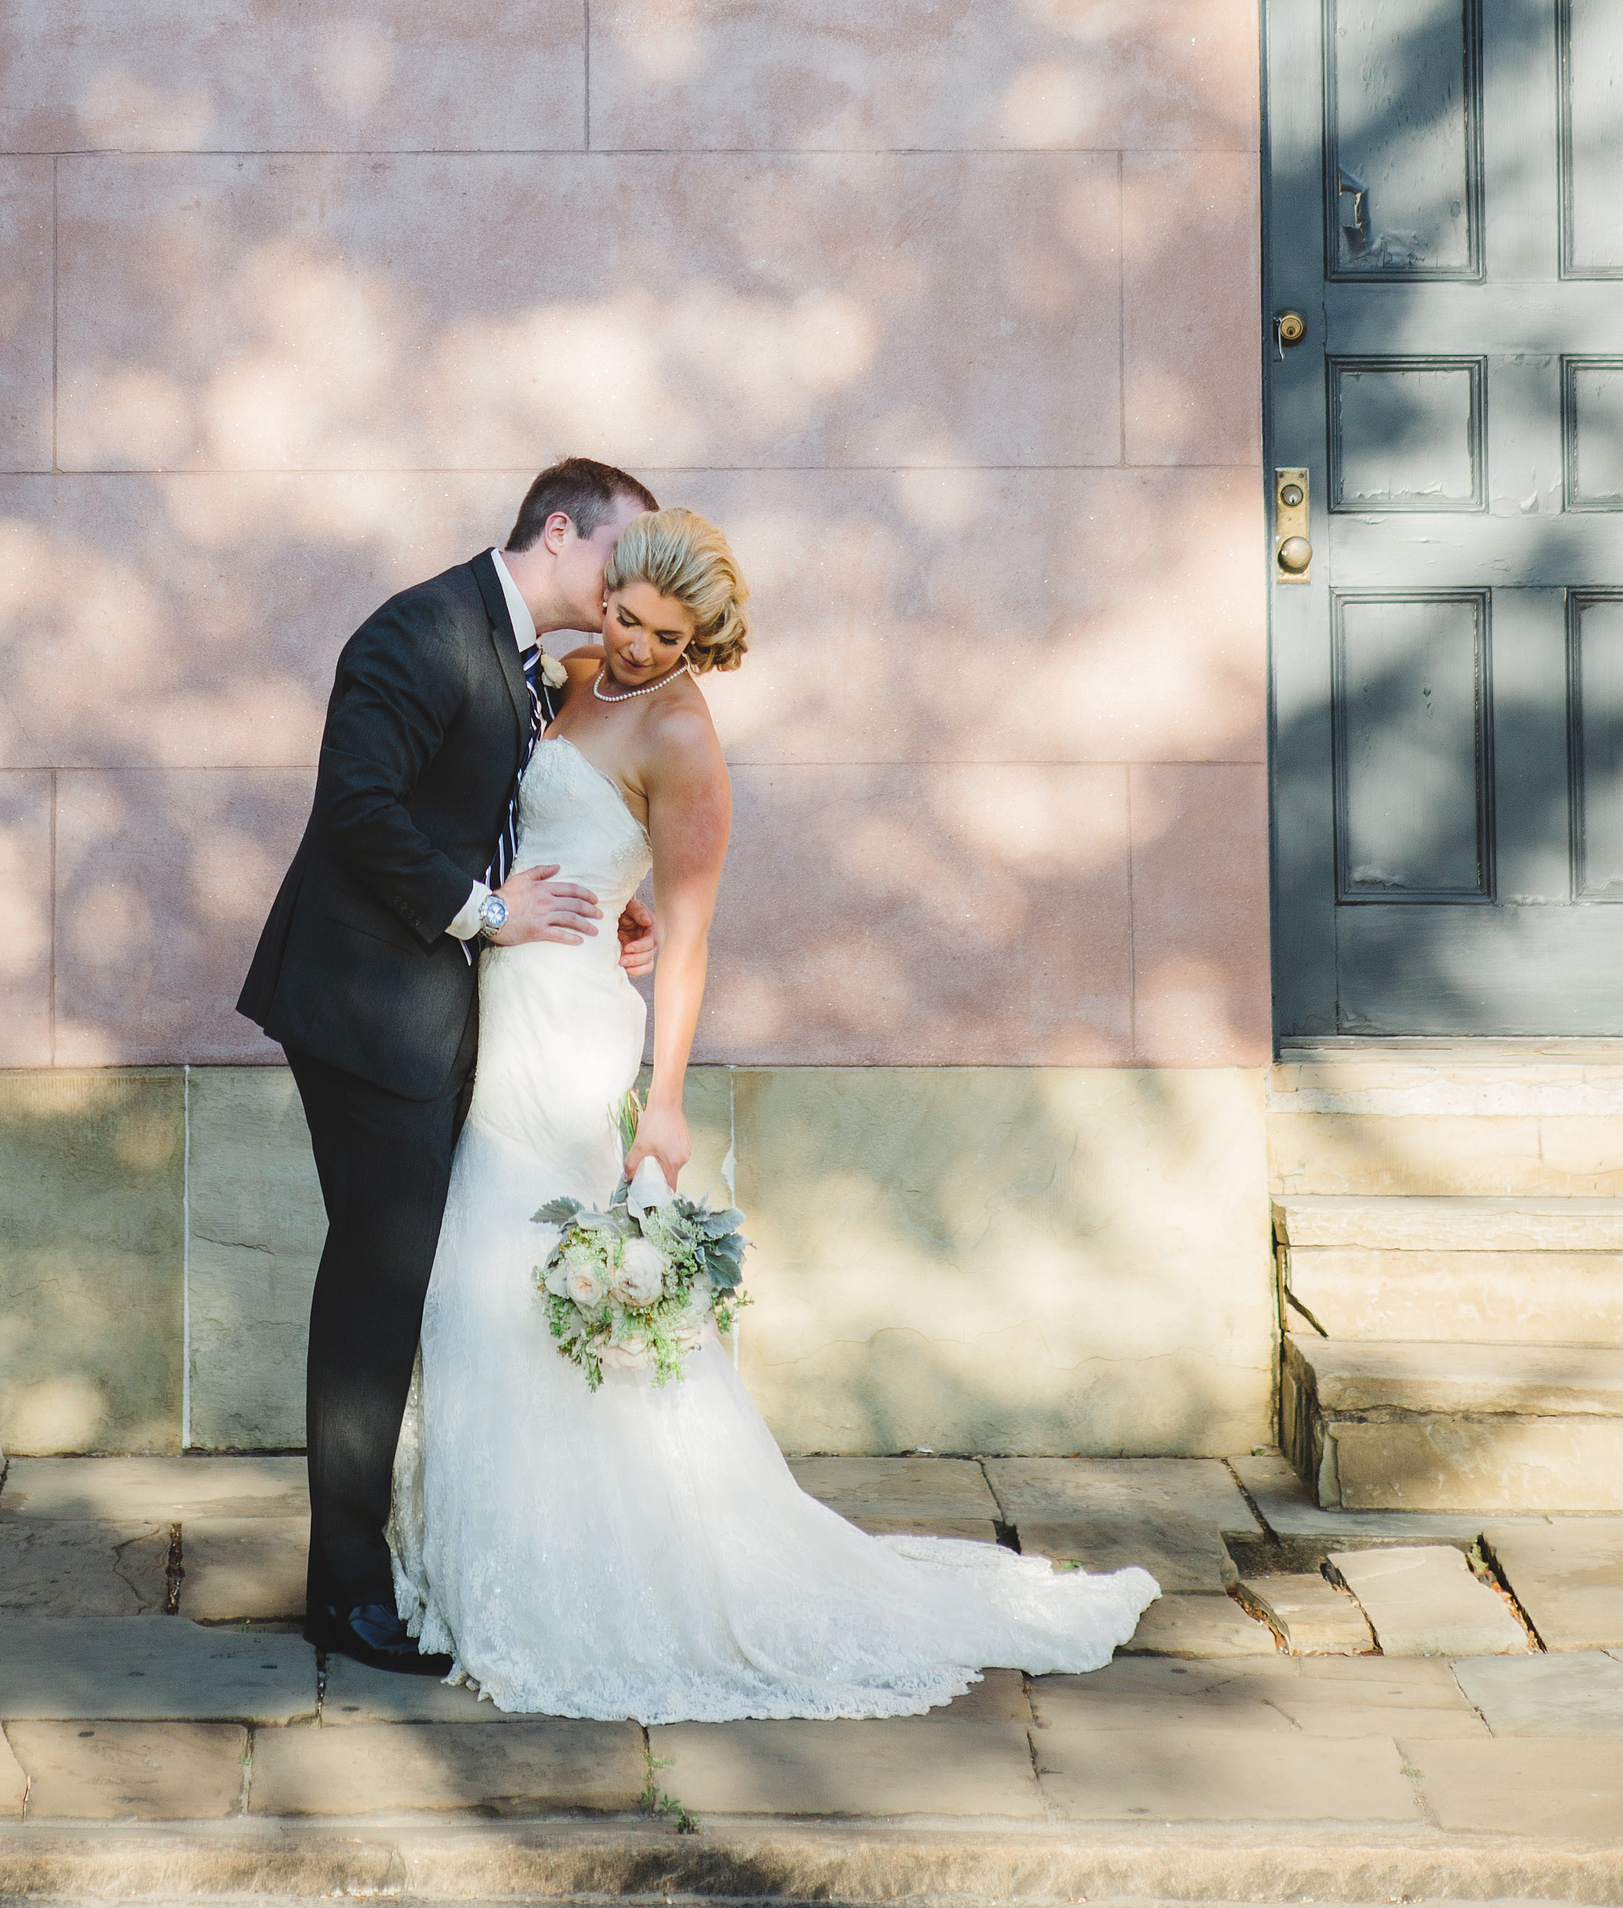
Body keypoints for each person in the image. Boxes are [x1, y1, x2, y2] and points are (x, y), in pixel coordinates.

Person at [389, 503, 1159, 1719]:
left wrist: (667, 1107)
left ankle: (610, 1577)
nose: (633, 647)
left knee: (540, 1277)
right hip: (502, 1001)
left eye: (662, 634)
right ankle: (484, 1564)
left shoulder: (687, 740)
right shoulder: (578, 671)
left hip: (578, 1033)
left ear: (706, 637)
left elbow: (686, 943)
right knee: (479, 1280)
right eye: (625, 618)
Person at [238, 456, 660, 1673]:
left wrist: (611, 901)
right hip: (367, 1009)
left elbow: (500, 804)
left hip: (432, 1010)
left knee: (399, 1284)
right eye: (617, 557)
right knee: (376, 1288)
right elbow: (356, 807)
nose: (626, 586)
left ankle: (366, 1569)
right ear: (561, 530)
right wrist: (487, 912)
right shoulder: (419, 631)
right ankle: (346, 1595)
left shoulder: (529, 655)